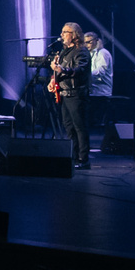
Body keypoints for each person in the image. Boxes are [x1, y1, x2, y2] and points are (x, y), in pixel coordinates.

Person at [49, 23, 93, 168]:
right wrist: (52, 81)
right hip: (64, 93)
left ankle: (83, 159)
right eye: (62, 32)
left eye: (65, 32)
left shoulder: (81, 51)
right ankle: (73, 157)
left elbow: (79, 69)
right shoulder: (64, 52)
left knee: (80, 127)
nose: (61, 35)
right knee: (69, 127)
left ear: (74, 35)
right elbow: (58, 71)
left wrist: (61, 69)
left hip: (76, 94)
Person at [82, 29, 115, 101]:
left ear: (96, 41)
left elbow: (101, 71)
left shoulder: (103, 53)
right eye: (84, 42)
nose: (86, 45)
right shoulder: (89, 54)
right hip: (92, 92)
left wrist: (86, 76)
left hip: (101, 93)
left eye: (89, 42)